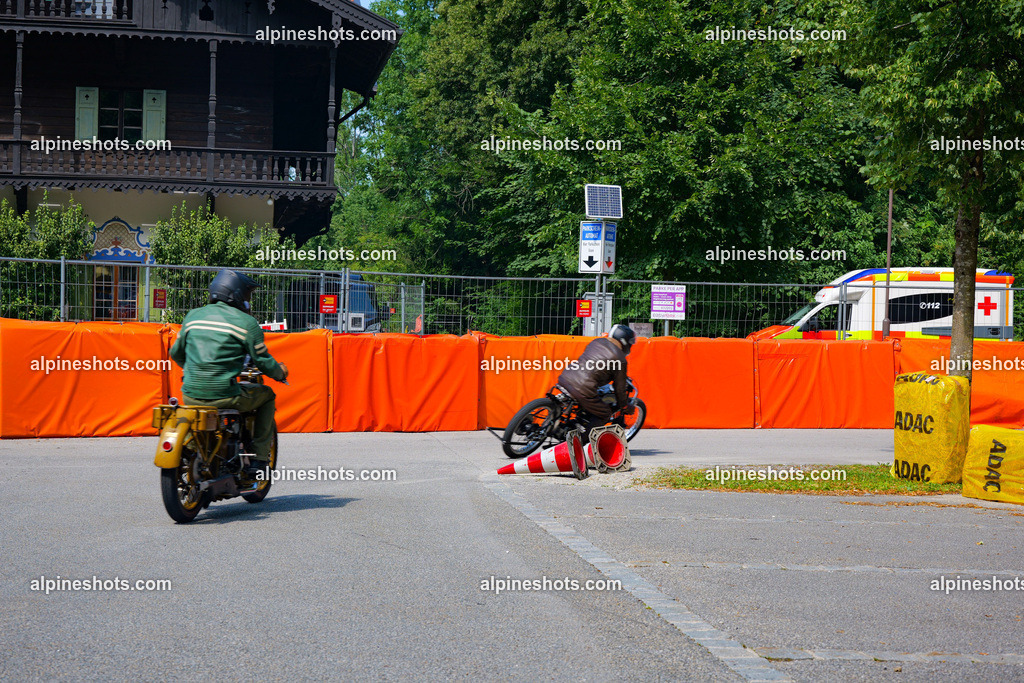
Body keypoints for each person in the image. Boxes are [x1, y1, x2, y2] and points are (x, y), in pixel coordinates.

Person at [169, 269, 288, 475]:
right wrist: (281, 373)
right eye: (247, 295)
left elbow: (176, 353)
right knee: (267, 396)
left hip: (189, 395)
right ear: (237, 294)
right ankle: (260, 459)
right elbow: (262, 361)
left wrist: (196, 369)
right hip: (225, 395)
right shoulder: (246, 323)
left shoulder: (192, 316)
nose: (248, 300)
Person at [557, 324, 635, 432]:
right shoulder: (620, 359)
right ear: (624, 341)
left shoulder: (596, 342)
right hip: (583, 389)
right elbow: (620, 389)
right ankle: (580, 441)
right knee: (605, 414)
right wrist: (625, 406)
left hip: (566, 377)